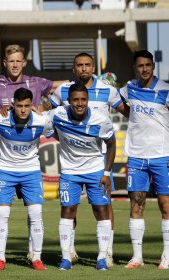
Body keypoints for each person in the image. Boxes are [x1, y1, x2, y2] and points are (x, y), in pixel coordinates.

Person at [0, 44, 66, 264]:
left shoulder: (36, 82)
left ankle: (32, 253)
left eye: (19, 61)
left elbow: (63, 88)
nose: (15, 65)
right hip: (3, 154)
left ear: (23, 62)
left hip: (29, 156)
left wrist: (87, 79)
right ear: (4, 63)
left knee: (33, 210)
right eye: (11, 61)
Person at [49, 52, 130, 267]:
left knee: (103, 206)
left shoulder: (107, 91)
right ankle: (69, 252)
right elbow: (47, 115)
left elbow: (127, 113)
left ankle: (106, 252)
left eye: (87, 65)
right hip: (72, 161)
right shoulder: (62, 91)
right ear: (74, 69)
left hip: (100, 159)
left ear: (93, 67)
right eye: (79, 65)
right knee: (69, 208)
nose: (84, 68)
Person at [0, 88, 54, 271]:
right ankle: (0, 259)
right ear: (13, 105)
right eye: (19, 106)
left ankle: (36, 258)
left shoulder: (41, 121)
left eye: (27, 106)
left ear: (32, 106)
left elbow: (52, 129)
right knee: (2, 214)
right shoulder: (0, 119)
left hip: (31, 171)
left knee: (36, 214)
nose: (23, 110)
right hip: (5, 170)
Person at [47, 83, 116, 270]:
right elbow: (36, 117)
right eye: (75, 99)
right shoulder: (57, 114)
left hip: (95, 170)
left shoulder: (101, 119)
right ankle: (66, 257)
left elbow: (111, 144)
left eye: (83, 99)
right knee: (67, 212)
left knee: (101, 211)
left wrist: (107, 173)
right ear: (69, 101)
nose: (80, 103)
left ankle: (102, 257)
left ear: (88, 100)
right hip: (69, 172)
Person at [119, 50, 169, 269]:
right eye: (140, 65)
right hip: (137, 157)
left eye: (148, 65)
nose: (145, 69)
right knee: (136, 205)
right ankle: (137, 257)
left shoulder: (166, 89)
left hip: (162, 155)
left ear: (154, 66)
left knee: (166, 206)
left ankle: (166, 256)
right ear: (134, 68)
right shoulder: (128, 89)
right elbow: (118, 104)